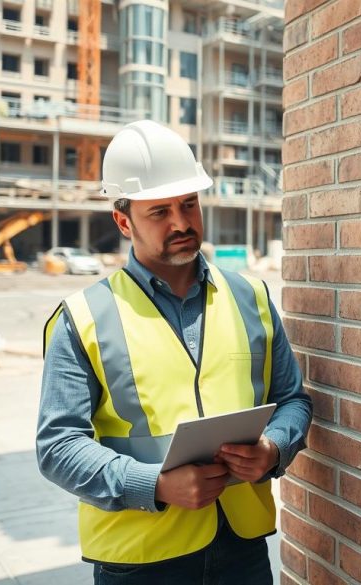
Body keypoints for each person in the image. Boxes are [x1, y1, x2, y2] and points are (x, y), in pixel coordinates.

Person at [36, 120, 312, 584]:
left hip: (241, 548)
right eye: (159, 211)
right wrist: (155, 485)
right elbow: (58, 446)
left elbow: (293, 400)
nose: (181, 222)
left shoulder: (252, 298)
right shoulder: (82, 317)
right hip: (140, 559)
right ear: (123, 221)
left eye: (188, 204)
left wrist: (274, 448)